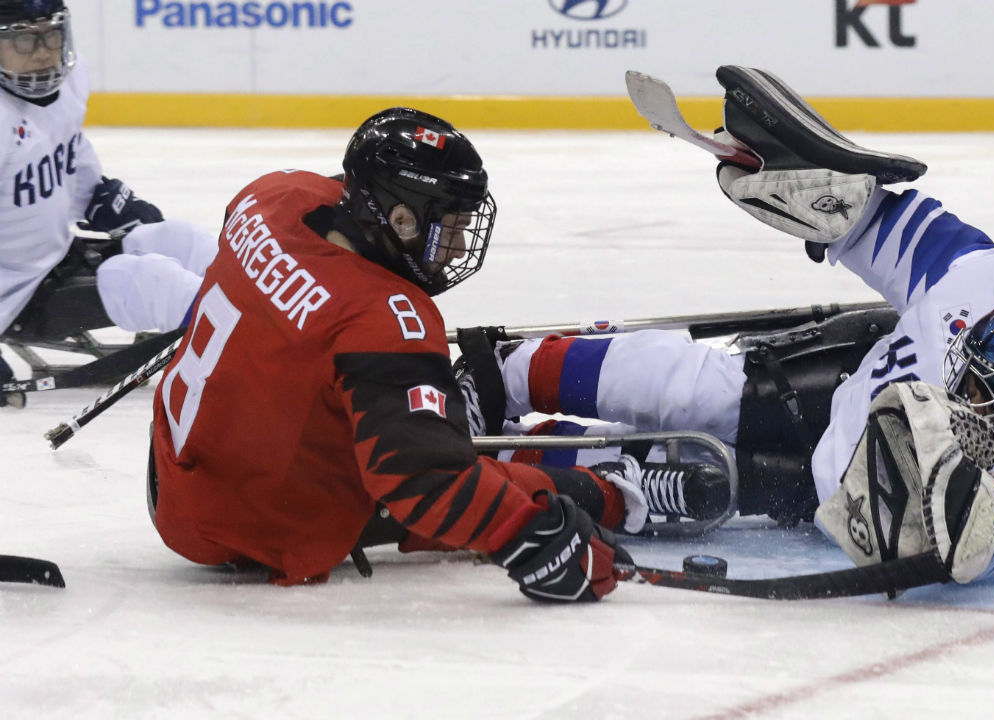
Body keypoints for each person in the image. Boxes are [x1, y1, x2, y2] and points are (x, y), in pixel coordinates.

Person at [468, 66, 994, 587]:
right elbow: (883, 224)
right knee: (703, 390)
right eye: (970, 375)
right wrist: (825, 196)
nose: (970, 398)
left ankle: (500, 458)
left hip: (843, 496)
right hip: (860, 379)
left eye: (993, 400)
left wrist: (950, 523)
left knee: (696, 478)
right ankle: (501, 377)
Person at [146, 107, 730, 603]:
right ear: (398, 218)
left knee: (407, 415)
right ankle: (617, 489)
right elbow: (421, 481)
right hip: (260, 524)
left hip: (176, 479)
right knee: (461, 466)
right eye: (447, 224)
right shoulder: (383, 316)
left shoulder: (269, 196)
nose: (456, 244)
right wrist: (532, 538)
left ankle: (455, 412)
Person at [0, 0, 210, 408]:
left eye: (51, 35)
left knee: (181, 240)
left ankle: (280, 325)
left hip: (57, 257)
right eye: (24, 39)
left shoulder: (72, 79)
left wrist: (100, 195)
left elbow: (68, 149)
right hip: (13, 296)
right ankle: (257, 359)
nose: (43, 51)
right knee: (153, 282)